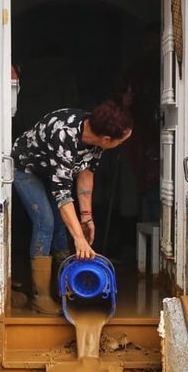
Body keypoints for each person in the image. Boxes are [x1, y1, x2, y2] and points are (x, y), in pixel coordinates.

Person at [11, 100, 133, 315]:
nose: (121, 145)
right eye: (121, 141)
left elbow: (85, 174)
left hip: (51, 174)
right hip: (26, 169)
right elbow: (62, 194)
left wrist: (87, 218)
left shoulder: (97, 138)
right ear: (107, 139)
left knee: (61, 225)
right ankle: (41, 297)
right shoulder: (64, 134)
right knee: (45, 223)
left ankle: (64, 287)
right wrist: (78, 238)